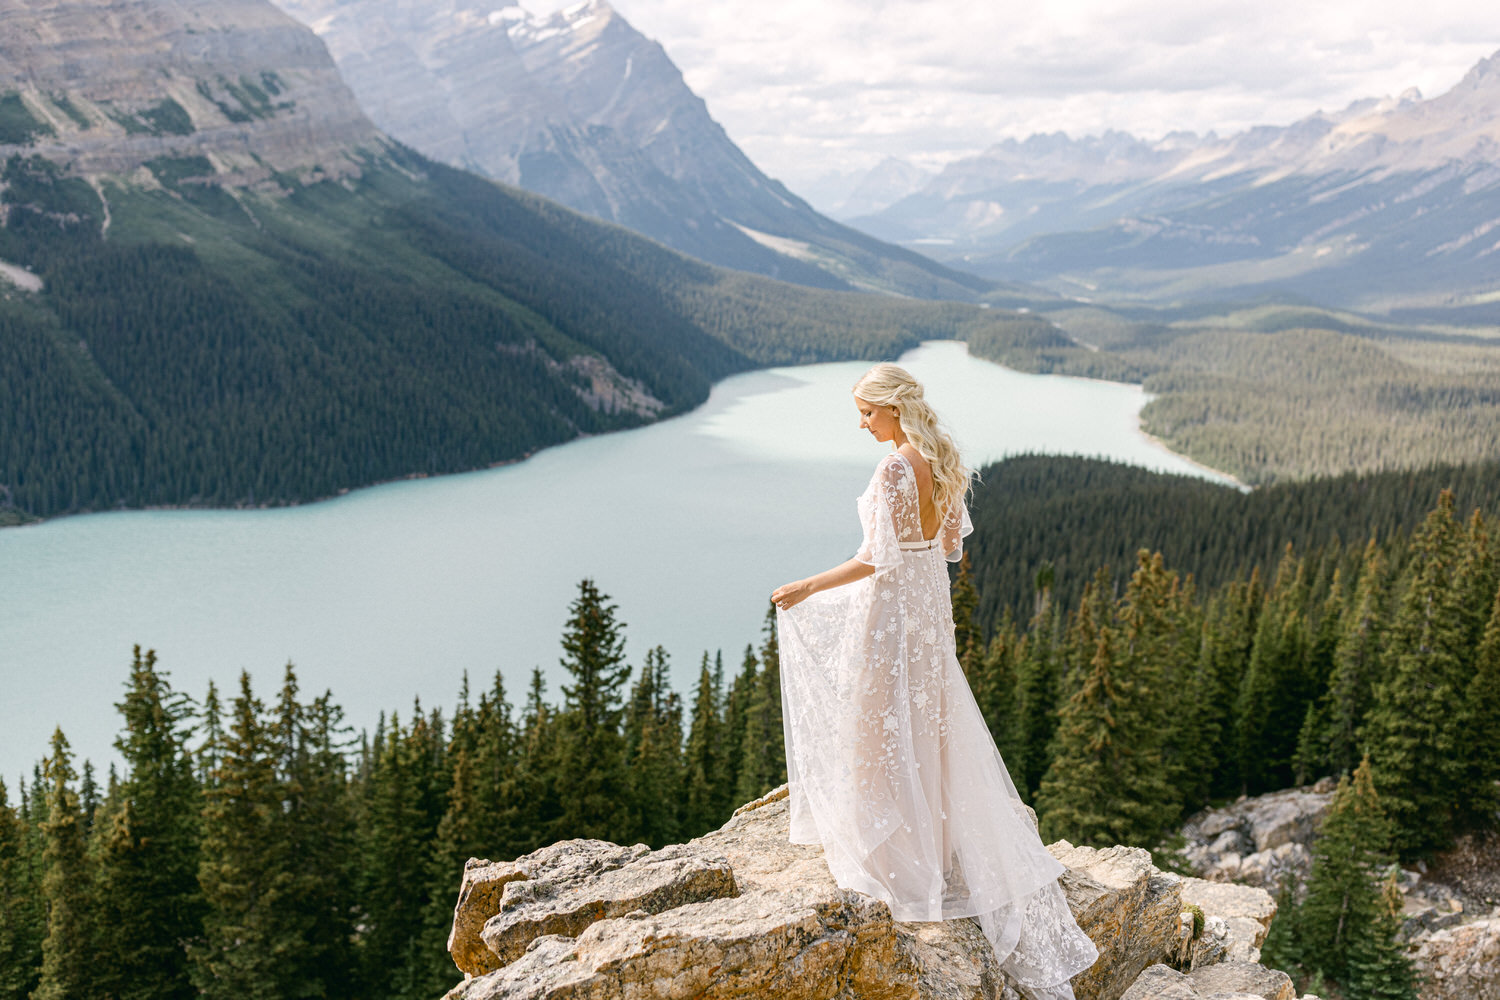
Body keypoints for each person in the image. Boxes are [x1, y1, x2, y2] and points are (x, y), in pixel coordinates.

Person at [771, 363, 1098, 1000]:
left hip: (893, 608)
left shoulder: (894, 467)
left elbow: (875, 557)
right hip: (928, 607)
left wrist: (807, 586)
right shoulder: (941, 456)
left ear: (893, 409)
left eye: (867, 412)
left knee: (874, 725)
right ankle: (931, 848)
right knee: (928, 726)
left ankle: (896, 861)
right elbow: (947, 544)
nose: (861, 424)